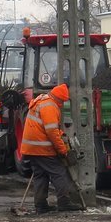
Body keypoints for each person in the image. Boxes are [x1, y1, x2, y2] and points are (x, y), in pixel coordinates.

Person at [19, 83, 83, 214]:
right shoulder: (50, 106)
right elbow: (51, 131)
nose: (62, 104)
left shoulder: (42, 101)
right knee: (59, 173)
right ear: (59, 98)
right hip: (42, 148)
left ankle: (41, 205)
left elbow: (47, 128)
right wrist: (62, 150)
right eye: (62, 101)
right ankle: (64, 202)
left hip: (31, 147)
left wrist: (61, 135)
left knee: (40, 175)